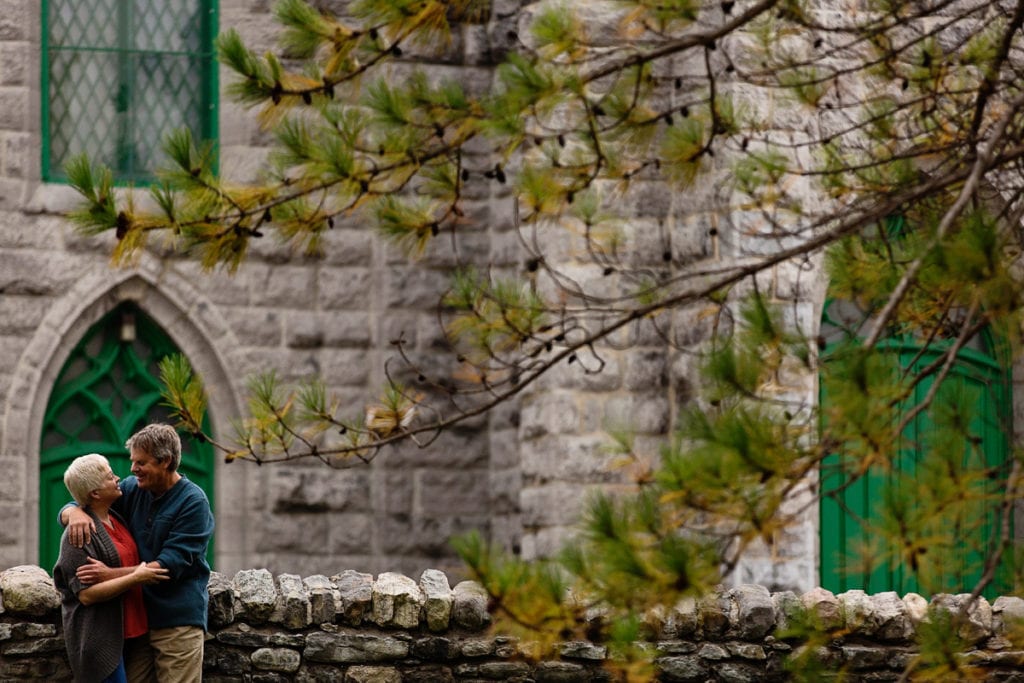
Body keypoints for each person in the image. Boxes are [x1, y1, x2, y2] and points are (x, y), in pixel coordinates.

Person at [62, 424, 215, 683]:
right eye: (133, 461)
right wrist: (72, 512)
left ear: (165, 461)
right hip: (138, 625)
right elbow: (92, 500)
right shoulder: (134, 489)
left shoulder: (193, 503)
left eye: (140, 462)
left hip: (177, 623)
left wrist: (110, 575)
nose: (132, 470)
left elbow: (167, 567)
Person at [53, 453, 169, 683]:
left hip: (132, 634)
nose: (118, 478)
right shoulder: (78, 535)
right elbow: (86, 595)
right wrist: (136, 577)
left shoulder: (116, 517)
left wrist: (128, 574)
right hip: (101, 642)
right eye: (109, 477)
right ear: (95, 493)